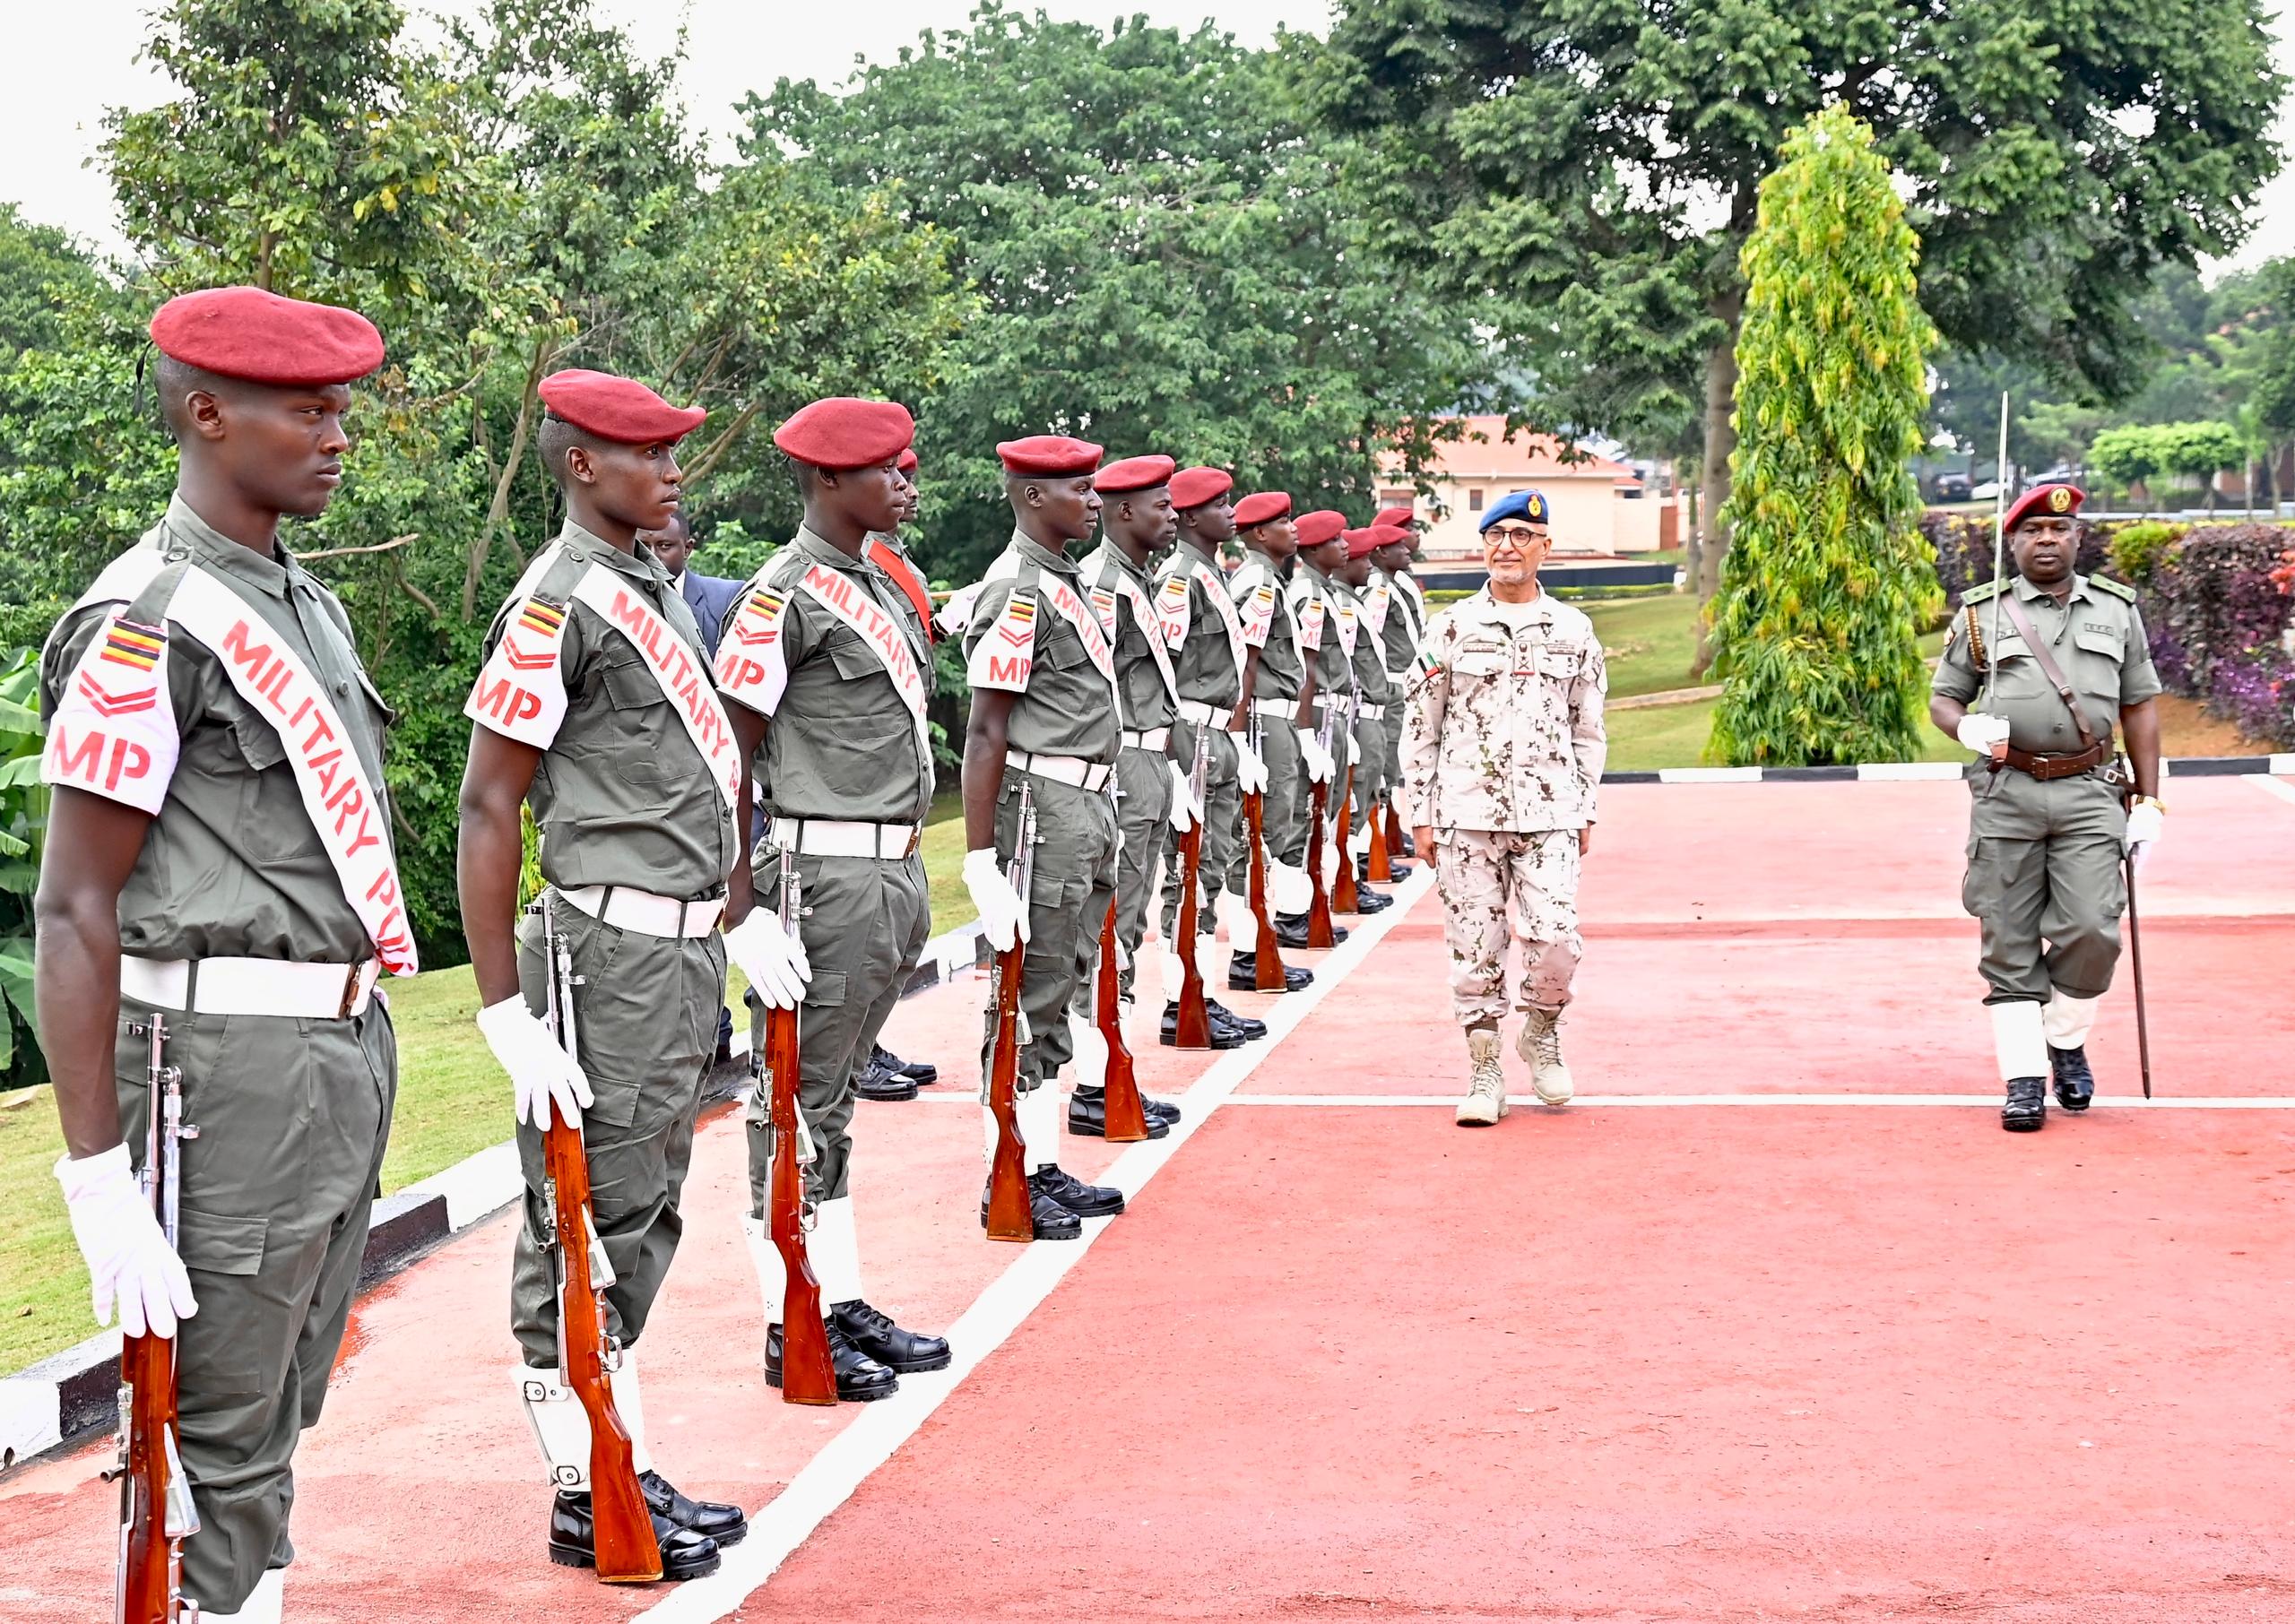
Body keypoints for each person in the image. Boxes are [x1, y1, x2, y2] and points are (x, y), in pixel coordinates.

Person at [35, 286, 407, 1624]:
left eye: (339, 408)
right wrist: (94, 1179)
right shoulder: (146, 620)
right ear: (207, 414)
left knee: (286, 1395)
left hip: (337, 1048)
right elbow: (75, 904)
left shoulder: (310, 605)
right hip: (217, 1068)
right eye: (308, 410)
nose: (338, 435)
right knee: (220, 1437)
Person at [457, 367, 761, 1578]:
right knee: (580, 1223)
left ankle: (613, 1445)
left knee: (644, 1211)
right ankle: (585, 1484)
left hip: (679, 952)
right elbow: (488, 803)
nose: (675, 470)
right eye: (649, 451)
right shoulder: (559, 604)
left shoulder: (654, 587)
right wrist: (497, 1007)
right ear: (582, 464)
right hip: (605, 953)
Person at [714, 394, 953, 1397]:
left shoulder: (881, 582)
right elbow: (727, 748)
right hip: (819, 873)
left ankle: (836, 1291)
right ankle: (790, 1313)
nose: (905, 483)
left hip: (889, 870)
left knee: (836, 1104)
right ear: (826, 478)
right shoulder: (785, 593)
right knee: (795, 1107)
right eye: (886, 469)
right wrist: (741, 907)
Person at [1927, 482, 2163, 1132]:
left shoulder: (2116, 611)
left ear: (2078, 539)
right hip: (2009, 791)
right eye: (2032, 532)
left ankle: (2064, 1038)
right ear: (2013, 543)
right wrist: (1965, 729)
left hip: (2091, 791)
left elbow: (2139, 706)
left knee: (2093, 929)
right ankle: (2025, 1077)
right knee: (2008, 935)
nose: (2046, 541)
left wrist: (2150, 800)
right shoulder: (1983, 614)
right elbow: (1945, 697)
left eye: (2059, 531)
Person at [958, 435, 1130, 1240]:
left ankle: (1043, 1162)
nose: (1094, 503)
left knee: (1060, 984)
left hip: (1085, 806)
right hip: (1043, 807)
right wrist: (982, 859)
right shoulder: (1019, 592)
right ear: (1032, 498)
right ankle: (1011, 1170)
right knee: (1025, 996)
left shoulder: (1064, 584)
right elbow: (985, 731)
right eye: (1080, 491)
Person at [1401, 488, 1606, 1127]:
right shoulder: (1451, 627)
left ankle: (1541, 1030)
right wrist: (1421, 811)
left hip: (1549, 815)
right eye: (1497, 536)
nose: (1507, 547)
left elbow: (1588, 728)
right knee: (1475, 949)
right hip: (1467, 814)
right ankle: (1484, 1070)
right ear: (1481, 546)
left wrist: (1586, 808)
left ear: (1546, 548)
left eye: (1522, 536)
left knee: (1554, 938)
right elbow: (1420, 723)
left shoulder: (1572, 629)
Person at [1073, 454, 1192, 1123]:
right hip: (1118, 772)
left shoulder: (1137, 582)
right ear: (1124, 513)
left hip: (1148, 768)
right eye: (1161, 505)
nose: (1170, 515)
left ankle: (1111, 1070)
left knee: (1130, 921)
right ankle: (1096, 1083)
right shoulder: (1103, 588)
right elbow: (1093, 697)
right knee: (1105, 928)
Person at [1153, 467, 1280, 1044]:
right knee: (1189, 874)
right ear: (1186, 517)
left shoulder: (1210, 575)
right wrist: (1174, 754)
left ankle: (1196, 990)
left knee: (1211, 867)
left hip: (1217, 736)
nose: (1230, 513)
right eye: (1217, 505)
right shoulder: (1180, 579)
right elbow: (1161, 672)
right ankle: (1181, 1001)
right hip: (1191, 735)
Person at [849, 444, 941, 1103]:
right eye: (893, 478)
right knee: (859, 955)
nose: (906, 491)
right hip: (850, 796)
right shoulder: (865, 566)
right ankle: (864, 1053)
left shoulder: (893, 567)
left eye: (907, 478)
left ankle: (870, 1047)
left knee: (895, 946)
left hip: (896, 790)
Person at [1228, 500, 1341, 947]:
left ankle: (1275, 929)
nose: (1292, 530)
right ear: (1258, 534)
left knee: (1280, 826)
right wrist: (1240, 738)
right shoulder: (1258, 581)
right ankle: (1251, 947)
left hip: (1278, 718)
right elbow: (1246, 663)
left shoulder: (1270, 580)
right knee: (1259, 837)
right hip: (1261, 718)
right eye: (1281, 523)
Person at [1291, 510, 1359, 913]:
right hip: (1314, 715)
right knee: (1308, 815)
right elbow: (1308, 666)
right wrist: (1305, 735)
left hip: (1331, 714)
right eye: (1337, 540)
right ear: (1316, 549)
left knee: (1327, 813)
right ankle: (1299, 911)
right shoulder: (1310, 594)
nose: (1346, 547)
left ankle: (1315, 901)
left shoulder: (1323, 590)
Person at [1336, 527, 1399, 910]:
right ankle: (1350, 879)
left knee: (1367, 794)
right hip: (1354, 714)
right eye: (1361, 559)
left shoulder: (1351, 601)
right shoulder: (1343, 603)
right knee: (1355, 800)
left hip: (1368, 712)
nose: (1367, 565)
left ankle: (1355, 875)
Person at [1368, 520, 1424, 881]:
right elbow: (1367, 641)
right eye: (1400, 542)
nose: (1409, 546)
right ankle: (1378, 847)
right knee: (1386, 765)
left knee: (1397, 764)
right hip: (1389, 685)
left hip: (1405, 681)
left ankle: (1391, 835)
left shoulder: (1396, 583)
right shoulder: (1379, 589)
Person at [640, 510, 744, 662]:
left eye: (665, 546)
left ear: (687, 549)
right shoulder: (618, 602)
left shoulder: (727, 597)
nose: (653, 556)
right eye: (643, 547)